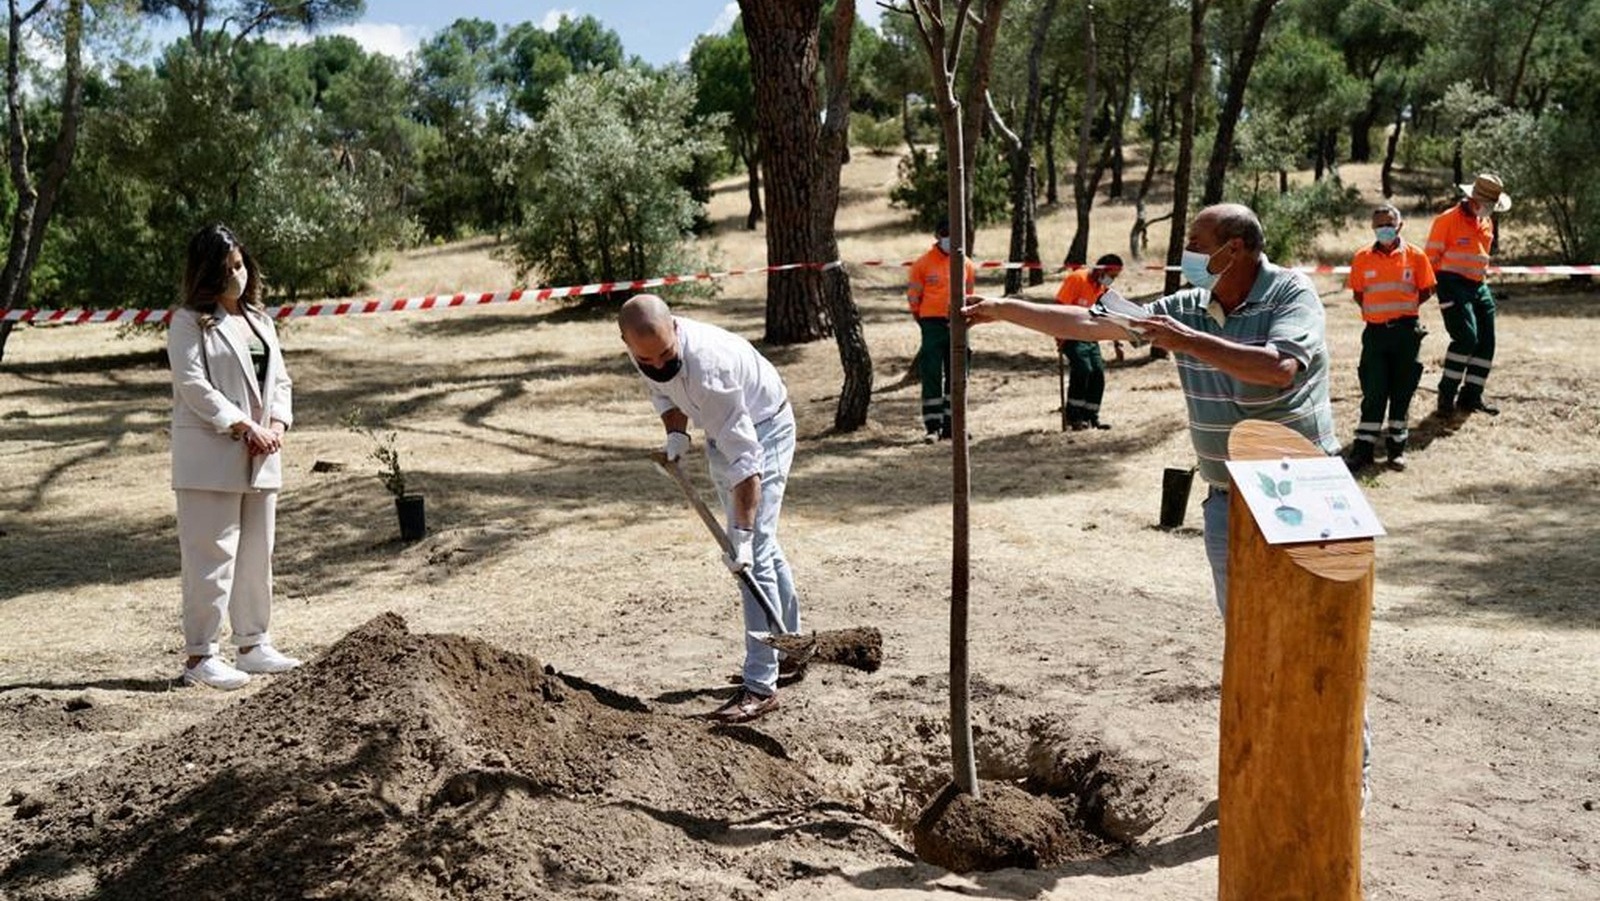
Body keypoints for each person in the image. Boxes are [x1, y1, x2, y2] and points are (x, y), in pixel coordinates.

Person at [963, 204, 1369, 801]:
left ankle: (1342, 771)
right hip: (1227, 500)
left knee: (1319, 638)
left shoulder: (1290, 293)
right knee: (1250, 644)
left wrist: (1188, 341)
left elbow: (1280, 369)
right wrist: (1005, 310)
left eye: (1196, 242)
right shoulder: (1184, 308)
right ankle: (1267, 771)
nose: (1187, 253)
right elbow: (1087, 323)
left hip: (1303, 493)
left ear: (1234, 248)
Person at [619, 294, 799, 724]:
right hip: (721, 433)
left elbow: (747, 463)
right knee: (764, 552)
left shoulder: (710, 369)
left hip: (763, 431)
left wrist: (740, 535)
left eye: (667, 354)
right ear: (627, 342)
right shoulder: (645, 351)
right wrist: (677, 436)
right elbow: (665, 394)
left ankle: (760, 685)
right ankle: (791, 647)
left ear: (676, 329)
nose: (661, 364)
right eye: (649, 359)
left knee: (751, 558)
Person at [167, 224, 301, 690]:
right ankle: (201, 655)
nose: (237, 277)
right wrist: (245, 426)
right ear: (206, 273)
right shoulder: (187, 322)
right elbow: (194, 386)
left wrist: (277, 425)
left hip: (261, 457)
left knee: (255, 556)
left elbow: (280, 381)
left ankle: (253, 644)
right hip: (211, 458)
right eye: (226, 270)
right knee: (211, 556)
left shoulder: (260, 321)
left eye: (241, 266)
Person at [1344, 204, 1437, 471]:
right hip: (1375, 336)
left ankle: (1397, 450)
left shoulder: (1416, 256)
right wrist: (1378, 314)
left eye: (1389, 223)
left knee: (1401, 392)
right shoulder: (1362, 257)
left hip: (1407, 334)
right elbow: (1359, 294)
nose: (1384, 228)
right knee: (1373, 392)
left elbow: (1427, 289)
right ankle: (1363, 451)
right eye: (1379, 225)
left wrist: (1403, 310)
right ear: (1373, 228)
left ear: (1399, 225)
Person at [1426, 172, 1509, 417]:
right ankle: (1446, 396)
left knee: (1486, 342)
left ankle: (1471, 396)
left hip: (1478, 285)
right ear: (1474, 200)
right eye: (1489, 205)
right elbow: (1431, 258)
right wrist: (1432, 289)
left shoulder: (1486, 222)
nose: (1492, 210)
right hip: (1451, 283)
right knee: (1466, 339)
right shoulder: (1447, 220)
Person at [906, 218, 976, 442]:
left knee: (958, 376)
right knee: (932, 375)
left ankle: (954, 426)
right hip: (931, 325)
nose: (949, 237)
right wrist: (926, 322)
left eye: (953, 233)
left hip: (958, 324)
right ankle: (932, 427)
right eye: (945, 233)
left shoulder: (966, 264)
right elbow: (913, 299)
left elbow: (969, 294)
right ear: (937, 236)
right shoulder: (922, 264)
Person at [1054, 253, 1125, 430]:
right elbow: (1058, 306)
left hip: (1090, 337)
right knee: (1083, 370)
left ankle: (1091, 416)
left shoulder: (1101, 288)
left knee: (1097, 374)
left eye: (1115, 277)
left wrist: (1117, 343)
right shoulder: (1077, 278)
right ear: (1101, 270)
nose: (1112, 280)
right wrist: (1059, 335)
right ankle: (1074, 417)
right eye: (1112, 275)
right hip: (1070, 335)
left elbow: (1108, 314)